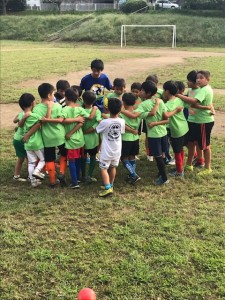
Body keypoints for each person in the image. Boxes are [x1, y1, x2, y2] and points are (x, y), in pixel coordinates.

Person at [121, 81, 168, 185]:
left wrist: (120, 110)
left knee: (158, 156)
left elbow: (133, 116)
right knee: (162, 155)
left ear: (148, 93)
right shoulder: (160, 101)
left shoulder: (143, 105)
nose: (140, 92)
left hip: (154, 135)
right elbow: (166, 118)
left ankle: (164, 178)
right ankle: (161, 173)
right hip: (163, 132)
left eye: (142, 90)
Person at [177, 70, 215, 176]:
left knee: (205, 145)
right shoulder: (199, 89)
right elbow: (191, 103)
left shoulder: (205, 89)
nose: (198, 79)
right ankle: (189, 164)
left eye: (201, 77)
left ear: (208, 79)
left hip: (202, 122)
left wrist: (178, 95)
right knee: (191, 143)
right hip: (193, 120)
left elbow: (193, 102)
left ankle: (207, 168)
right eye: (197, 77)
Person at [96, 98, 125, 197]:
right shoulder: (122, 121)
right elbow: (121, 132)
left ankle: (108, 188)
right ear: (120, 109)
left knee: (103, 168)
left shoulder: (104, 122)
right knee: (113, 167)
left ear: (107, 108)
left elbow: (97, 130)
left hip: (107, 150)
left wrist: (101, 120)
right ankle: (110, 184)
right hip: (117, 149)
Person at [163, 81, 189, 177]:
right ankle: (180, 167)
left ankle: (179, 172)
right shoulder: (179, 99)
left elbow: (166, 115)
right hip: (184, 128)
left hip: (176, 130)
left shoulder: (168, 105)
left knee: (177, 151)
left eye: (164, 90)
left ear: (167, 91)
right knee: (180, 149)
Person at [18, 93, 45, 187]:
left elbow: (19, 125)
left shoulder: (23, 115)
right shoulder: (34, 116)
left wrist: (24, 117)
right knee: (42, 160)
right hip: (37, 143)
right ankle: (37, 171)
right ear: (33, 103)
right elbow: (40, 123)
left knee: (31, 162)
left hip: (27, 144)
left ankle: (33, 182)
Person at [120, 93, 142, 183]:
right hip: (135, 138)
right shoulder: (137, 113)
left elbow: (123, 125)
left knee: (124, 158)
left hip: (126, 138)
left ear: (123, 102)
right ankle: (131, 174)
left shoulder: (122, 114)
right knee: (132, 156)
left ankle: (133, 174)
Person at [81, 91, 102, 183]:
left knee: (82, 157)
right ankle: (90, 175)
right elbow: (99, 122)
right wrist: (92, 129)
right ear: (94, 101)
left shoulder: (80, 111)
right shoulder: (97, 111)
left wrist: (84, 131)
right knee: (93, 157)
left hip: (82, 139)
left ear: (83, 100)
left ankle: (83, 175)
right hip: (93, 139)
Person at [12, 107, 29, 182]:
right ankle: (30, 176)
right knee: (29, 158)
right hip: (21, 140)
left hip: (16, 139)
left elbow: (14, 120)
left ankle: (16, 175)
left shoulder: (21, 113)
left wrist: (19, 117)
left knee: (21, 158)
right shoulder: (29, 115)